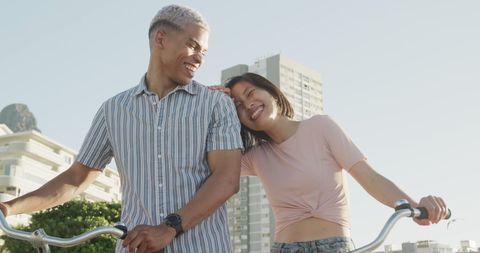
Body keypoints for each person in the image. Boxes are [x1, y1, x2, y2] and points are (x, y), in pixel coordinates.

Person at [0, 5, 243, 253]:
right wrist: (8, 207)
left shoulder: (216, 104)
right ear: (161, 39)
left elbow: (226, 179)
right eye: (193, 45)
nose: (200, 58)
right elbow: (75, 179)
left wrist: (169, 228)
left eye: (204, 51)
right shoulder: (113, 110)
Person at [210, 72, 449, 253]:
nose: (247, 104)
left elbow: (371, 178)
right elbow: (203, 163)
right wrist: (211, 105)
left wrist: (416, 207)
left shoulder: (320, 127)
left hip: (334, 246)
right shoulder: (254, 157)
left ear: (271, 92)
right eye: (238, 106)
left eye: (250, 93)